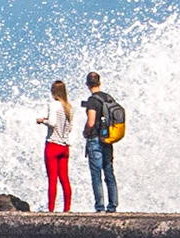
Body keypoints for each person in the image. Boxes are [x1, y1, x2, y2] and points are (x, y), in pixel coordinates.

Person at [82, 72, 119, 212]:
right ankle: (112, 205)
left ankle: (99, 206)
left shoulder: (92, 100)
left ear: (87, 84)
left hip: (95, 139)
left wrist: (85, 132)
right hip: (107, 138)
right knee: (109, 172)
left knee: (96, 174)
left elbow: (91, 122)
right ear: (99, 82)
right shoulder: (108, 98)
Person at [35, 80, 73, 212]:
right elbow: (70, 127)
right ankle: (66, 209)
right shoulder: (68, 107)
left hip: (53, 145)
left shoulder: (54, 105)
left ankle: (51, 209)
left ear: (54, 91)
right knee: (64, 178)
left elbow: (52, 123)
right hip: (65, 146)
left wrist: (42, 120)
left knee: (52, 179)